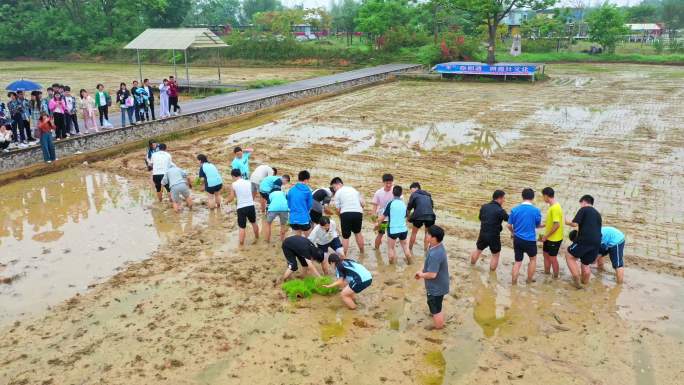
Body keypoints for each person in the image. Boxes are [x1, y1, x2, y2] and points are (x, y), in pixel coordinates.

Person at [414, 225, 449, 330]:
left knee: (436, 308)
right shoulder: (435, 246)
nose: (426, 235)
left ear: (434, 238)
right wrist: (422, 270)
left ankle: (439, 328)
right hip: (440, 285)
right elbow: (428, 264)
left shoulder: (435, 254)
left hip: (436, 288)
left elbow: (432, 274)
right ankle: (435, 315)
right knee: (435, 304)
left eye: (428, 234)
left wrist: (421, 275)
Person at [564, 195, 602, 286]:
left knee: (569, 255)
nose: (580, 206)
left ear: (584, 202)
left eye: (580, 204)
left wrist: (567, 222)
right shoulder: (598, 214)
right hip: (597, 241)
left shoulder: (584, 209)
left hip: (585, 239)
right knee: (585, 263)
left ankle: (577, 283)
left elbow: (574, 224)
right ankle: (585, 284)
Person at [507, 188, 541, 285]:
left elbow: (509, 225)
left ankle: (513, 283)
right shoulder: (536, 210)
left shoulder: (515, 209)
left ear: (522, 196)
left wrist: (513, 232)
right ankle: (529, 281)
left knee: (518, 262)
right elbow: (537, 225)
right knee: (533, 259)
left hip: (517, 239)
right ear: (533, 198)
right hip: (530, 240)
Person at [470, 190, 508, 271]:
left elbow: (480, 218)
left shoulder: (484, 206)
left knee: (478, 250)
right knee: (495, 255)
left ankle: (471, 266)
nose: (504, 200)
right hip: (494, 235)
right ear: (500, 198)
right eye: (504, 198)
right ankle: (492, 273)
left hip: (483, 233)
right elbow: (508, 219)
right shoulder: (500, 210)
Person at [377, 185, 412, 264]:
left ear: (393, 193)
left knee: (391, 248)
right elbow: (407, 216)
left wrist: (377, 223)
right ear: (401, 193)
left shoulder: (390, 203)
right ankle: (410, 263)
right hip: (403, 229)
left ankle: (391, 266)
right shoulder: (403, 204)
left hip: (393, 230)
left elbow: (383, 217)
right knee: (405, 248)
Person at [330, 177, 365, 255]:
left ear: (339, 184)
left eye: (334, 187)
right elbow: (363, 204)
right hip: (358, 213)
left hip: (346, 213)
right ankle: (362, 253)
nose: (334, 189)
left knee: (345, 237)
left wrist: (340, 217)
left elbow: (338, 209)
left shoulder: (338, 193)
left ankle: (344, 256)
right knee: (358, 232)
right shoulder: (353, 189)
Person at [227, 168, 259, 245]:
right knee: (254, 222)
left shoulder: (233, 184)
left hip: (241, 207)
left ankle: (241, 245)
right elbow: (254, 191)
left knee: (242, 227)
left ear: (233, 176)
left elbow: (231, 197)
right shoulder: (248, 182)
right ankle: (257, 237)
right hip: (250, 205)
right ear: (240, 174)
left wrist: (226, 201)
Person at [540, 187, 564, 278]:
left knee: (553, 258)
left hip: (555, 238)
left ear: (546, 196)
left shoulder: (555, 208)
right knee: (545, 255)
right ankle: (546, 274)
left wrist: (546, 235)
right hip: (549, 237)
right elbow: (551, 222)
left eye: (543, 196)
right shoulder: (551, 207)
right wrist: (542, 225)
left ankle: (555, 277)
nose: (543, 199)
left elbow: (557, 225)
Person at [407, 182, 437, 252]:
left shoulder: (414, 194)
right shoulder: (428, 195)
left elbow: (409, 207)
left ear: (416, 188)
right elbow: (431, 206)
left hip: (419, 216)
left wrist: (408, 217)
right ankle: (426, 251)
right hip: (430, 216)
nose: (411, 192)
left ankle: (409, 250)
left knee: (414, 233)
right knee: (427, 233)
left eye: (412, 190)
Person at [371, 174, 395, 250]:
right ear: (383, 182)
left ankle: (391, 251)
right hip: (383, 219)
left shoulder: (395, 191)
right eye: (386, 183)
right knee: (380, 234)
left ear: (392, 182)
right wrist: (375, 222)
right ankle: (376, 250)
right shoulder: (378, 193)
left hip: (392, 219)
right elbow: (374, 209)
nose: (388, 185)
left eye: (390, 183)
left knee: (391, 235)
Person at [287, 170, 313, 236]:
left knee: (297, 240)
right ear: (306, 180)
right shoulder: (308, 190)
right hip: (303, 218)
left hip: (293, 219)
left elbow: (289, 204)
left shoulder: (291, 189)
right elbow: (310, 205)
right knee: (309, 239)